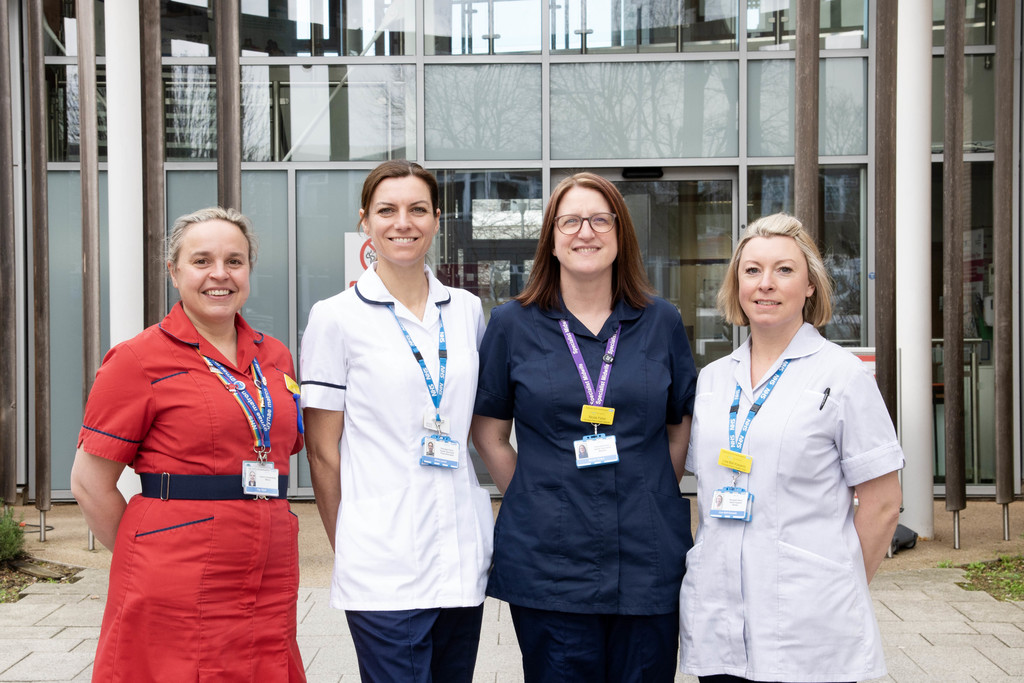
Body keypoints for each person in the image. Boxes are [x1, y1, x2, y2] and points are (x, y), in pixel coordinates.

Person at [472, 172, 697, 682]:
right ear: (551, 238)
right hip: (549, 560)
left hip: (647, 557)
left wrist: (652, 488)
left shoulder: (660, 321)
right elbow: (488, 431)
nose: (585, 232)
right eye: (569, 221)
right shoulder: (512, 324)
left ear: (621, 235)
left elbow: (678, 421)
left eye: (600, 219)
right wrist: (534, 494)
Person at [70, 207, 306, 681]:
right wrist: (147, 554)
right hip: (175, 574)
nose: (220, 275)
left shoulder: (275, 356)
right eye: (202, 261)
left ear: (249, 271)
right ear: (174, 271)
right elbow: (89, 483)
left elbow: (283, 443)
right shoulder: (136, 360)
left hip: (267, 565)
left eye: (234, 261)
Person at [678, 213, 904, 682]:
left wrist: (836, 584)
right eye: (752, 270)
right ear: (736, 285)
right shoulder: (714, 380)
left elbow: (883, 504)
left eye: (784, 270)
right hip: (721, 610)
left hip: (811, 621)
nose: (766, 284)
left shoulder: (841, 376)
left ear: (810, 287)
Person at [300, 160, 493, 682]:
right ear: (366, 221)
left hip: (459, 553)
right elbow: (323, 451)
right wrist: (351, 546)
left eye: (417, 209)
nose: (401, 222)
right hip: (381, 560)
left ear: (436, 220)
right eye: (387, 210)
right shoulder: (336, 317)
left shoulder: (467, 311)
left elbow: (478, 426)